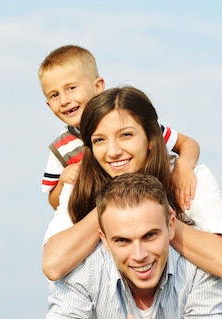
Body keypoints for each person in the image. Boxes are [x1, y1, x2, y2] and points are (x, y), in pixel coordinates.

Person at [42, 86, 222, 319]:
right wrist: (109, 206)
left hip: (201, 307)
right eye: (99, 140)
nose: (112, 151)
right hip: (129, 311)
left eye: (125, 135)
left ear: (150, 139)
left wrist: (157, 216)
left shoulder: (187, 179)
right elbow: (53, 265)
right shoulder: (80, 186)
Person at [38, 172, 222, 319]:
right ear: (104, 239)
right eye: (122, 240)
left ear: (171, 226)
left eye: (150, 236)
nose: (139, 255)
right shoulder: (84, 269)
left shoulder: (201, 267)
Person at [38, 45, 199, 212]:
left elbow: (187, 143)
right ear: (48, 104)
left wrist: (184, 166)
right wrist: (64, 181)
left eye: (71, 88)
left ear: (98, 86)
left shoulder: (130, 121)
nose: (64, 100)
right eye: (54, 95)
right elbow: (54, 203)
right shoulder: (61, 148)